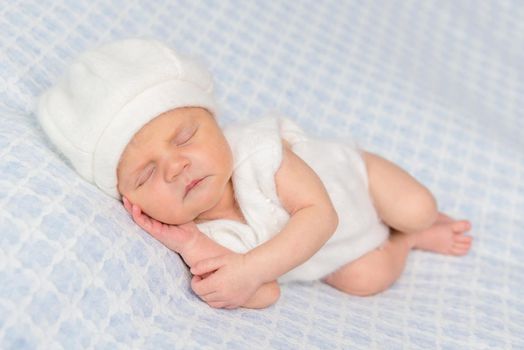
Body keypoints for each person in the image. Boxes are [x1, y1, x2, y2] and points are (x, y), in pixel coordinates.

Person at [37, 39, 472, 310]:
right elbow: (265, 292)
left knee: (418, 207)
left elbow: (321, 215)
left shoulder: (255, 150)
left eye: (186, 136)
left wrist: (248, 269)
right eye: (146, 174)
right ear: (131, 202)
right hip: (336, 256)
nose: (175, 167)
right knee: (367, 281)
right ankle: (408, 241)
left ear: (216, 123)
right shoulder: (212, 236)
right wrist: (197, 248)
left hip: (357, 184)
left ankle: (411, 224)